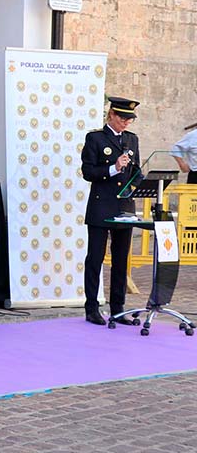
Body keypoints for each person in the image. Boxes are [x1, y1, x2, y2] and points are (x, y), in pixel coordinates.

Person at [81, 96, 142, 326]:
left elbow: (136, 171)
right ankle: (92, 308)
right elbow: (88, 171)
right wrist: (113, 168)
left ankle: (118, 308)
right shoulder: (95, 138)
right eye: (123, 118)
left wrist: (138, 182)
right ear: (112, 115)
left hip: (124, 207)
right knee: (95, 259)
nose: (126, 123)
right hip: (101, 206)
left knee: (120, 260)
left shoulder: (132, 140)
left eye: (130, 119)